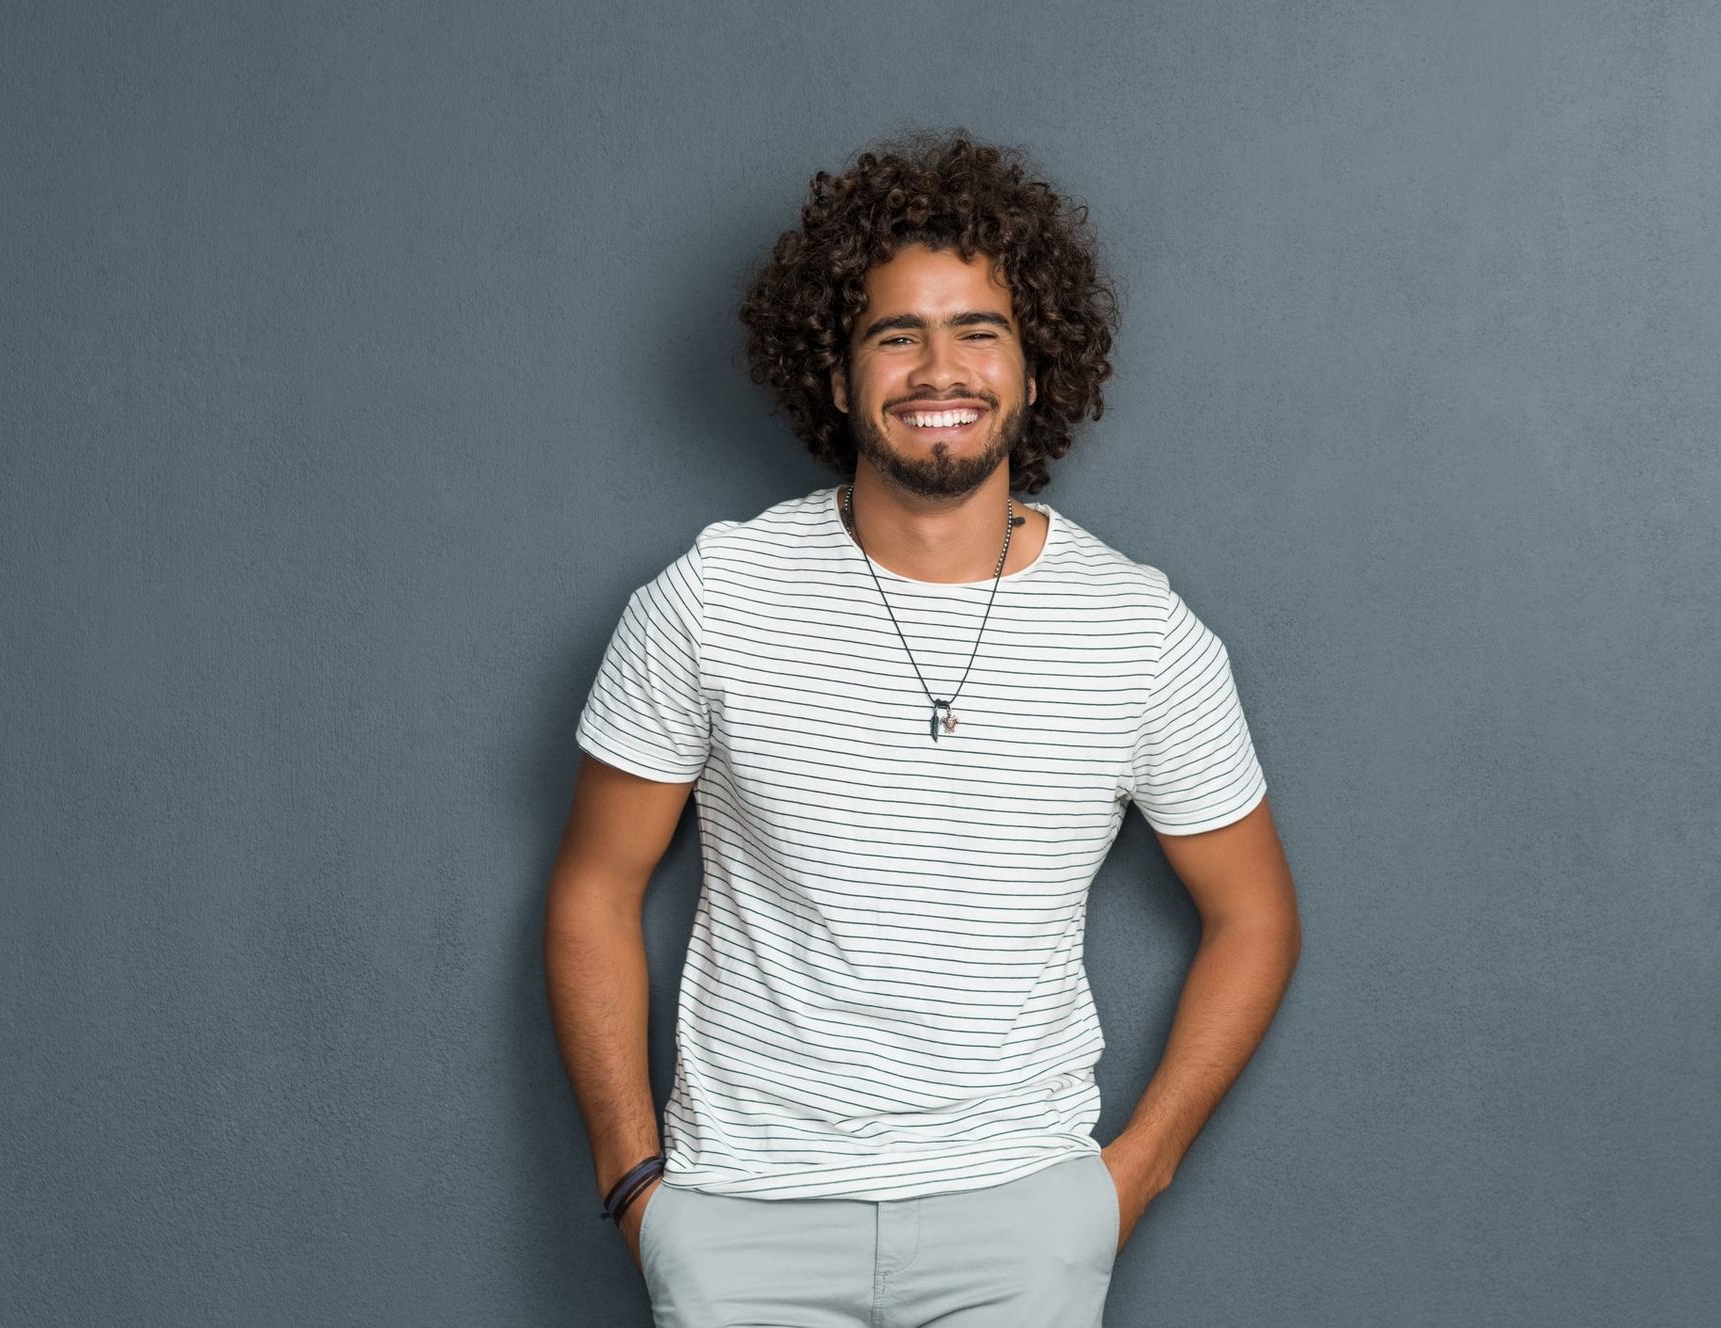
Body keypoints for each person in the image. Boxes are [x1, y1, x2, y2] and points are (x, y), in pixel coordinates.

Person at [543, 130, 1301, 1328]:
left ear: (1034, 368)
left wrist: (1124, 1180)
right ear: (836, 376)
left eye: (976, 331)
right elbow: (594, 882)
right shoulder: (710, 599)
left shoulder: (1139, 632)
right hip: (745, 1219)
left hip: (1020, 1225)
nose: (935, 367)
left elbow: (1253, 913)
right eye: (894, 333)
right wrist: (636, 1184)